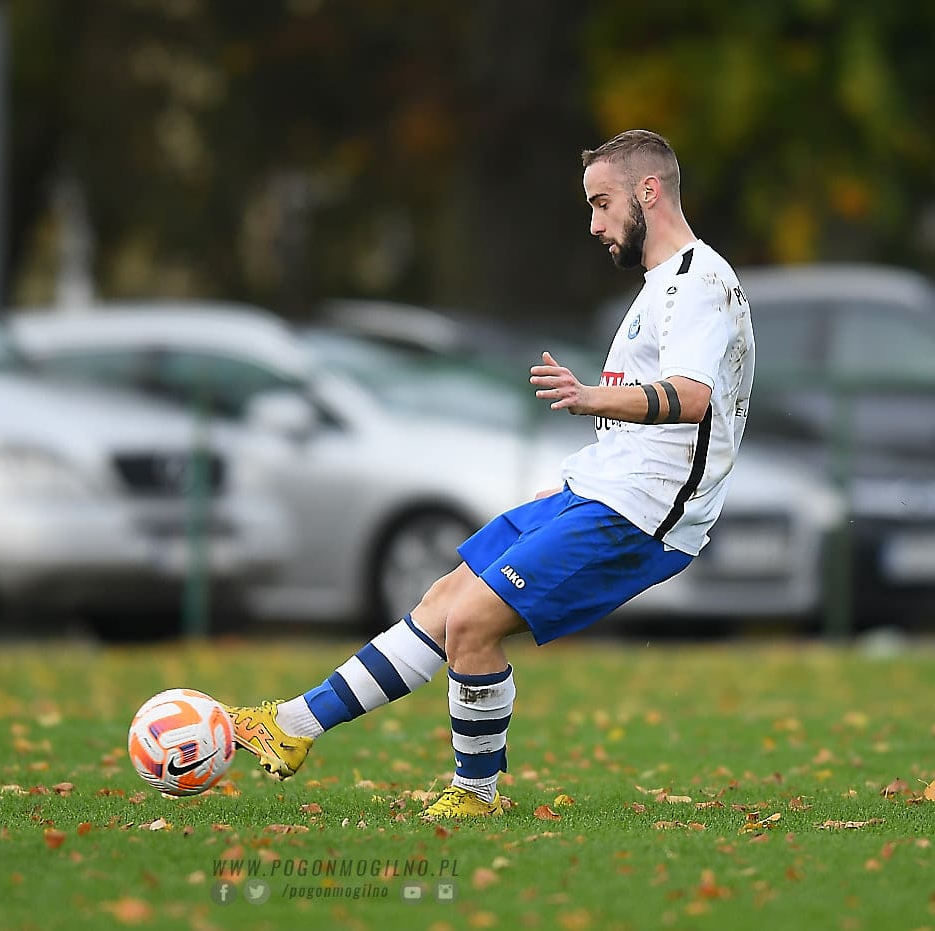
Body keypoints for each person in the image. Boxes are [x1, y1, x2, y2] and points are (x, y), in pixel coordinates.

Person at [224, 129, 755, 820]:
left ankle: (475, 796)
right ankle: (293, 724)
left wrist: (589, 397)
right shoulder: (663, 286)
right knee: (445, 598)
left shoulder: (699, 283)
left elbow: (691, 398)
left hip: (643, 515)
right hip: (602, 493)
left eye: (602, 204)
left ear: (647, 192)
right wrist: (580, 481)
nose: (595, 224)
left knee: (472, 622)